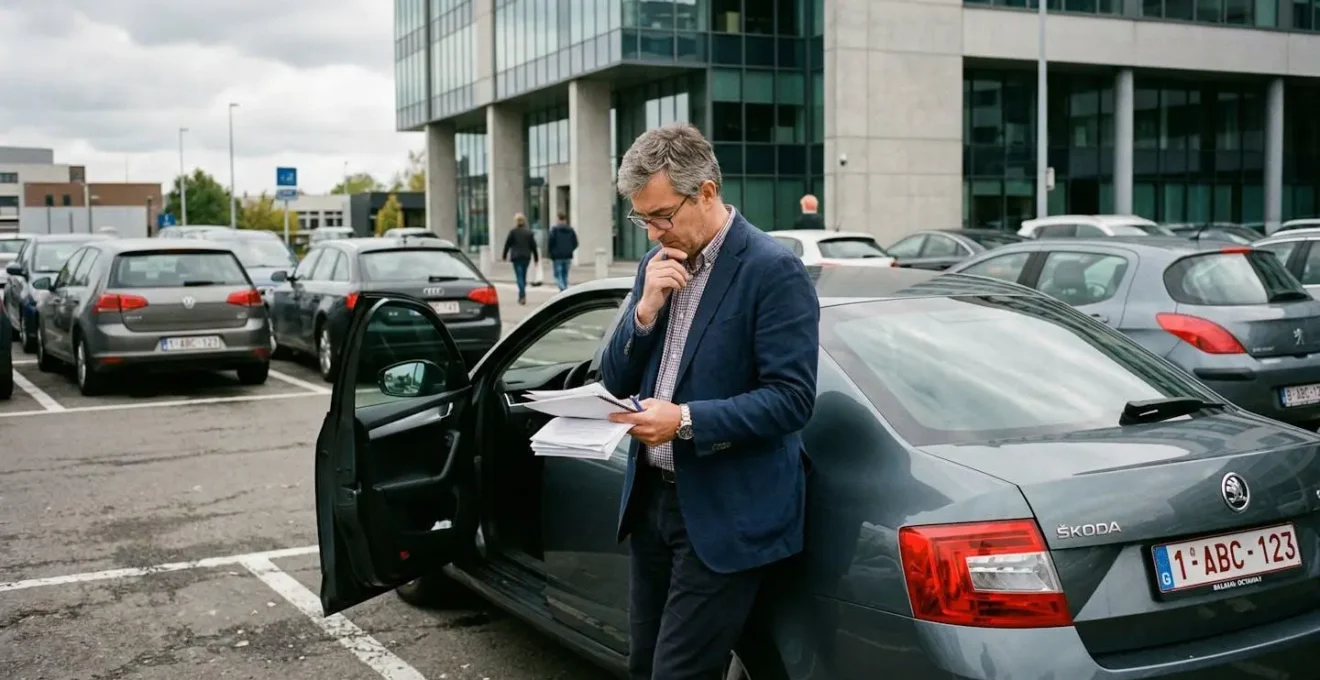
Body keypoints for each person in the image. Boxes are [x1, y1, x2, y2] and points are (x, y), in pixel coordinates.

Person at [600, 122, 820, 680]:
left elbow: (792, 399)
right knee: (644, 665)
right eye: (642, 220)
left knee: (679, 673)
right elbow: (614, 376)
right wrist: (644, 312)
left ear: (705, 192)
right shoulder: (655, 266)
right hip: (652, 503)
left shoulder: (771, 270)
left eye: (661, 216)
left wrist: (685, 420)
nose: (653, 233)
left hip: (726, 510)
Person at [501, 212, 538, 304]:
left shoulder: (513, 232)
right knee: (523, 276)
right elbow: (533, 246)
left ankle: (522, 296)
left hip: (516, 257)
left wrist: (504, 255)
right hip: (526, 257)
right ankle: (522, 294)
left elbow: (507, 244)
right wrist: (536, 258)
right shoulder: (529, 232)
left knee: (519, 276)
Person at [546, 211, 579, 291]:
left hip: (557, 256)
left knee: (557, 275)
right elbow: (575, 243)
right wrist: (570, 249)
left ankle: (563, 288)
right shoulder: (570, 230)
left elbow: (550, 243)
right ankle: (564, 289)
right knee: (565, 274)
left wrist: (551, 253)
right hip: (567, 255)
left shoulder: (554, 230)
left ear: (558, 219)